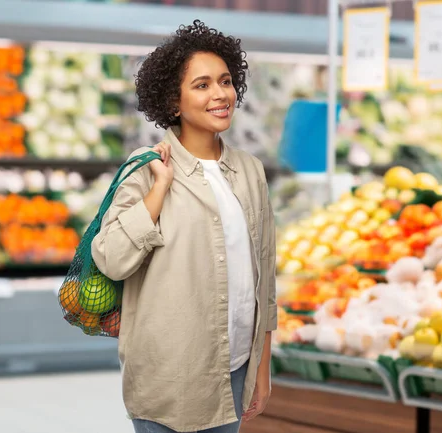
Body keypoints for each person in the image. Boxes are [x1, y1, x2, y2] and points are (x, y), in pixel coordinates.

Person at [91, 20, 277, 433]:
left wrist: (263, 365)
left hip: (234, 368)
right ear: (173, 102)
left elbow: (265, 276)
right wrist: (160, 189)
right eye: (202, 85)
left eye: (226, 82)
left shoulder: (250, 171)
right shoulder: (144, 167)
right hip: (169, 374)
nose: (220, 94)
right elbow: (112, 259)